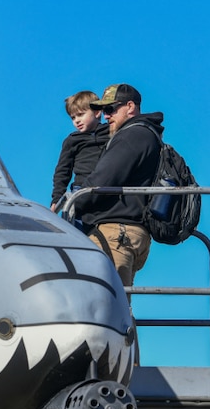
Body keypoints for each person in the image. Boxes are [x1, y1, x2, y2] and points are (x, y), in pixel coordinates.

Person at [76, 83, 163, 295]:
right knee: (116, 307)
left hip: (116, 233)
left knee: (107, 307)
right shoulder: (148, 135)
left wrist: (71, 206)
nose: (106, 116)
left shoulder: (132, 135)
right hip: (128, 233)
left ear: (130, 107)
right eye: (103, 111)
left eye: (111, 109)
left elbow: (101, 181)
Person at [50, 91, 111, 224]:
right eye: (73, 117)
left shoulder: (111, 133)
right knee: (78, 226)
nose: (76, 120)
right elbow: (62, 171)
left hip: (106, 186)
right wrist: (56, 199)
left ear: (97, 112)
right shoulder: (72, 140)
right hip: (81, 189)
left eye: (80, 115)